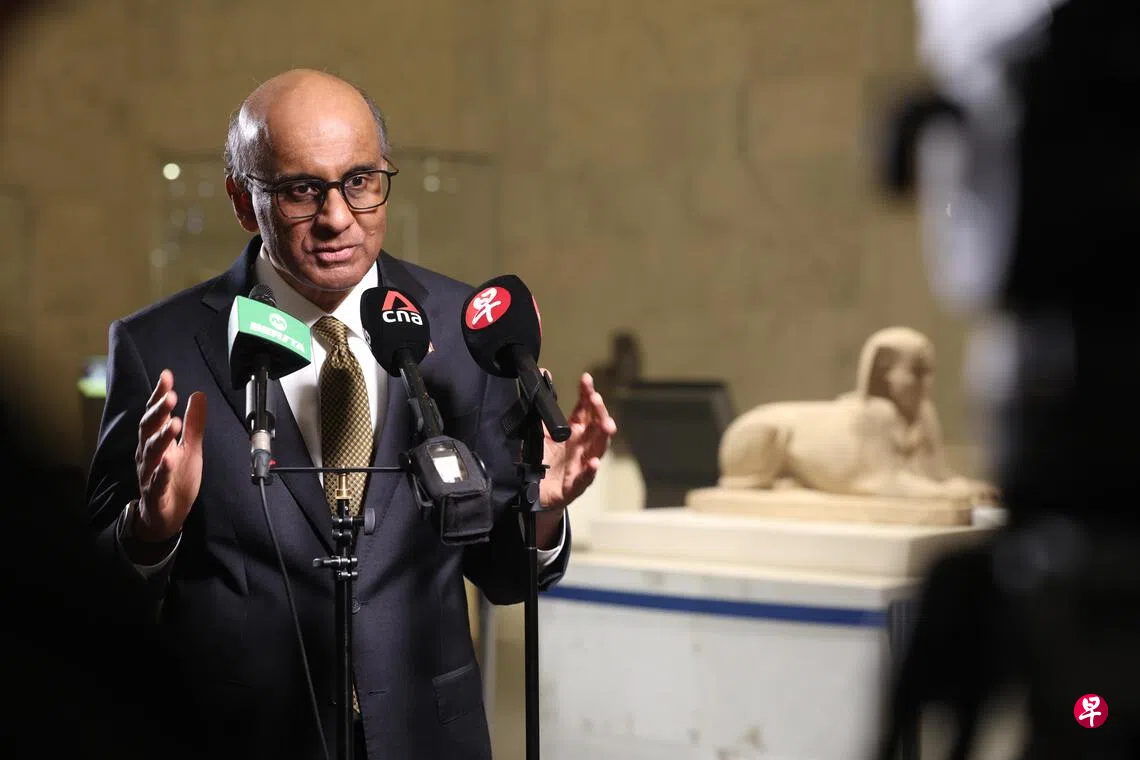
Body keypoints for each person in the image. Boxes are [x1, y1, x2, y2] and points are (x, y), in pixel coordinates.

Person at [85, 68, 616, 760]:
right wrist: (150, 529)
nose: (337, 218)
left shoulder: (459, 328)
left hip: (426, 736)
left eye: (360, 181)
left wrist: (541, 509)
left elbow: (506, 575)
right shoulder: (161, 344)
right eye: (301, 191)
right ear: (243, 201)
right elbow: (91, 591)